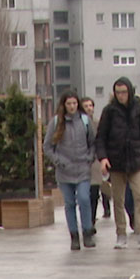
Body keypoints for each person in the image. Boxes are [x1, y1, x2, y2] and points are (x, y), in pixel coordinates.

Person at [95, 77, 140, 249]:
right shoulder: (109, 111)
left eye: (124, 92)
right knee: (118, 199)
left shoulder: (138, 110)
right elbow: (100, 137)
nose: (121, 95)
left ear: (130, 91)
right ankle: (121, 234)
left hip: (136, 160)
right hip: (116, 163)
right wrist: (103, 158)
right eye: (117, 92)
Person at [44, 90, 96, 251]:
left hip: (82, 169)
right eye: (69, 104)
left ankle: (87, 231)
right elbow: (47, 147)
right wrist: (59, 161)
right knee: (69, 203)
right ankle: (74, 235)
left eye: (74, 103)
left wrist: (89, 158)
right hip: (64, 171)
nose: (72, 106)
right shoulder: (56, 123)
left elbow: (93, 142)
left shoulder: (85, 121)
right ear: (64, 105)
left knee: (84, 199)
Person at [80, 97, 109, 222]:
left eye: (91, 105)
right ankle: (86, 219)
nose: (89, 108)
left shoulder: (98, 123)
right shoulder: (77, 124)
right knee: (83, 195)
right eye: (86, 106)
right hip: (80, 163)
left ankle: (91, 220)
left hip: (95, 163)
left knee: (94, 193)